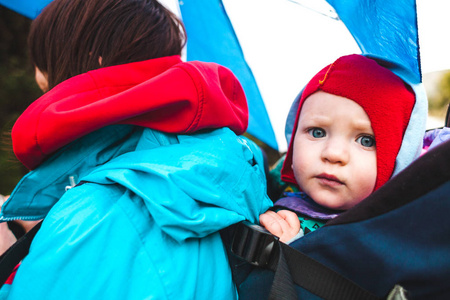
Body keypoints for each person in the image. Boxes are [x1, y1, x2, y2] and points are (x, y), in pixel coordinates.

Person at [0, 0, 272, 299]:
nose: (41, 79)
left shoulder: (98, 214)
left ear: (94, 59)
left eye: (45, 62)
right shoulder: (212, 168)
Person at [260, 54, 425, 243]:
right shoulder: (269, 186)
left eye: (366, 141)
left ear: (399, 159)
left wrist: (293, 252)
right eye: (317, 133)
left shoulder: (389, 239)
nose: (333, 154)